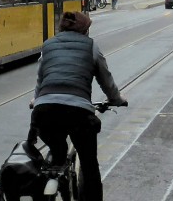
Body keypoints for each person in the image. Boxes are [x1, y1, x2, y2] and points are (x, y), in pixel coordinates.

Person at [29, 11, 126, 201]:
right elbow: (106, 80)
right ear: (85, 30)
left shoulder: (47, 46)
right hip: (78, 113)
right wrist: (116, 99)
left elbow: (41, 79)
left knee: (56, 149)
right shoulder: (91, 47)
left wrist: (35, 100)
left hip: (43, 110)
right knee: (89, 164)